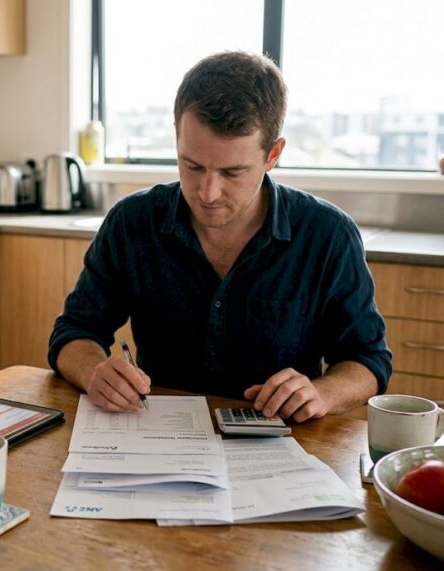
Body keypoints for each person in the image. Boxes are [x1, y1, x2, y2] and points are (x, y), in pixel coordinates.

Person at [49, 52, 391, 421]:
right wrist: (93, 371)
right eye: (192, 166)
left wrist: (321, 393)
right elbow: (74, 332)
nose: (207, 193)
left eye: (232, 172)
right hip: (157, 438)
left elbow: (368, 360)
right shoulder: (132, 223)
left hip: (280, 447)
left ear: (272, 154)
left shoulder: (327, 235)